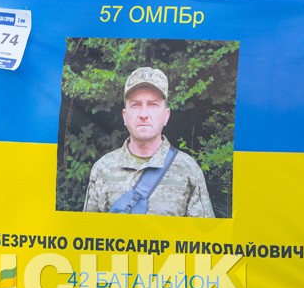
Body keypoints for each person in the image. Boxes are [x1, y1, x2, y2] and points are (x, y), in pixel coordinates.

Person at [83, 67, 214, 217]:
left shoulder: (188, 170)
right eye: (135, 105)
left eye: (153, 105)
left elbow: (203, 238)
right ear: (125, 116)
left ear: (166, 116)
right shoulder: (102, 169)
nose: (144, 114)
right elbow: (88, 234)